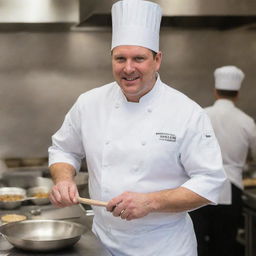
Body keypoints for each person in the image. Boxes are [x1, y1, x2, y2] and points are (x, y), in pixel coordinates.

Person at [48, 0, 226, 255]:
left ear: (157, 59)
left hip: (164, 246)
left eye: (139, 58)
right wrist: (64, 179)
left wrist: (151, 202)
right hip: (101, 242)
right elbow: (64, 150)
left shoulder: (187, 112)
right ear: (111, 58)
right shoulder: (89, 103)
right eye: (120, 58)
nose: (128, 68)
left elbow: (210, 182)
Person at [190, 65, 256, 256]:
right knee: (225, 245)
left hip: (198, 188)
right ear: (237, 94)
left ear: (215, 91)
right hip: (232, 187)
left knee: (197, 242)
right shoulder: (246, 121)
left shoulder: (200, 115)